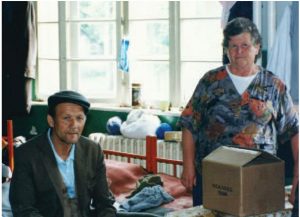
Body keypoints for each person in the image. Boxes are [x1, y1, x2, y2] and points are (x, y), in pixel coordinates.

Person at [178, 17, 299, 206]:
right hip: (214, 176)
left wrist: (298, 171)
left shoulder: (273, 85)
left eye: (245, 45)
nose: (239, 52)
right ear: (226, 50)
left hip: (259, 177)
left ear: (257, 47)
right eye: (233, 46)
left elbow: (294, 130)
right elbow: (188, 124)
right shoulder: (210, 81)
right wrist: (188, 166)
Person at [9, 90, 117, 217]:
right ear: (51, 121)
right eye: (66, 118)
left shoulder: (92, 150)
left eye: (79, 118)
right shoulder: (27, 154)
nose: (74, 125)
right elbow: (24, 210)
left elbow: (105, 203)